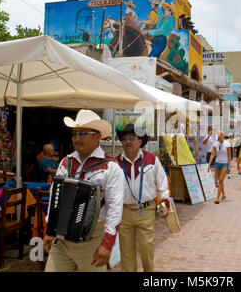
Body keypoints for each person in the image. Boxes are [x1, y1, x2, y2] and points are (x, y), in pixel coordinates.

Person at [43, 109, 125, 272]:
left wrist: (107, 244)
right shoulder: (65, 162)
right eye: (74, 133)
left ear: (97, 136)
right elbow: (54, 199)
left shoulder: (110, 167)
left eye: (83, 133)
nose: (77, 138)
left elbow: (115, 209)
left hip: (92, 238)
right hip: (62, 238)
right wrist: (49, 229)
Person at [115, 124, 170, 272]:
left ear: (140, 141)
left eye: (132, 138)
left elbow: (161, 181)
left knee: (146, 248)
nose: (128, 141)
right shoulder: (116, 163)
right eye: (124, 138)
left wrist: (165, 200)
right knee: (126, 253)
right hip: (124, 213)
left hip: (146, 211)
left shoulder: (151, 159)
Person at [208, 131, 231, 204]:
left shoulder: (227, 144)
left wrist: (229, 166)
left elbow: (229, 156)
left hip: (225, 163)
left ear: (224, 136)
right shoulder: (215, 144)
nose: (220, 135)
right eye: (219, 134)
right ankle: (223, 194)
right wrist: (209, 164)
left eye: (222, 134)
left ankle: (217, 197)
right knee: (220, 180)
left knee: (221, 180)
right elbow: (212, 154)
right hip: (217, 163)